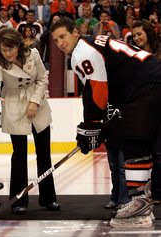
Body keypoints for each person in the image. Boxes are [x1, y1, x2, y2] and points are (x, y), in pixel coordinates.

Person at [50, 17, 161, 227]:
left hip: (145, 86)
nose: (60, 43)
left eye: (63, 36)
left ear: (75, 32)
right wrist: (93, 125)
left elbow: (97, 90)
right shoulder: (92, 43)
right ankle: (142, 201)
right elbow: (96, 90)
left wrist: (91, 125)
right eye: (56, 40)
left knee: (135, 142)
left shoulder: (82, 52)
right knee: (141, 143)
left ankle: (139, 206)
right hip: (150, 80)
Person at [0, 28, 60, 215]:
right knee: (19, 155)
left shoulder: (33, 54)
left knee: (44, 153)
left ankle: (48, 198)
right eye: (4, 50)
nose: (8, 53)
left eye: (10, 49)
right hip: (14, 105)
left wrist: (35, 101)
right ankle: (18, 200)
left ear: (19, 46)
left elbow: (43, 77)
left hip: (38, 103)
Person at [132, 19, 161, 205]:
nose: (136, 38)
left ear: (148, 32)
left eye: (139, 34)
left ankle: (157, 194)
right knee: (143, 155)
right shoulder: (133, 56)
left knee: (159, 152)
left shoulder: (159, 54)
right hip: (142, 110)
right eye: (134, 35)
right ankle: (141, 195)